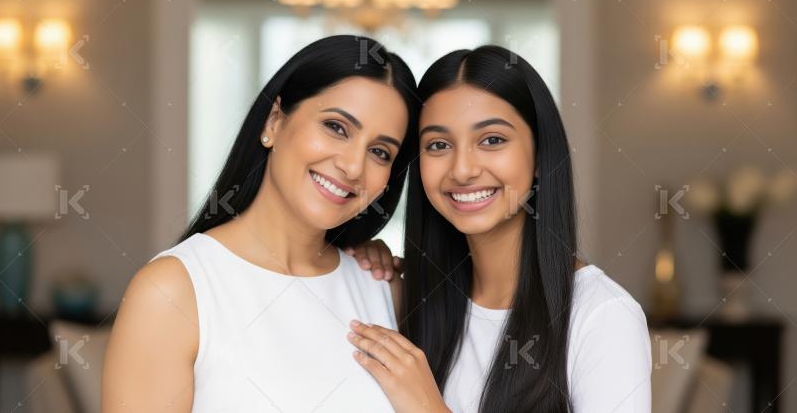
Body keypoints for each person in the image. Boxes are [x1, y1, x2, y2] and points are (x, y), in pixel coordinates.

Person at [102, 35, 420, 413]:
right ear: (274, 120)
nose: (353, 166)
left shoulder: (384, 289)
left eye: (380, 152)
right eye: (336, 127)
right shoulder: (172, 292)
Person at [346, 46, 652, 413]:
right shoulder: (413, 299)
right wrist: (361, 262)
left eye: (492, 140)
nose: (462, 170)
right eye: (438, 144)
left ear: (539, 156)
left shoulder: (603, 316)